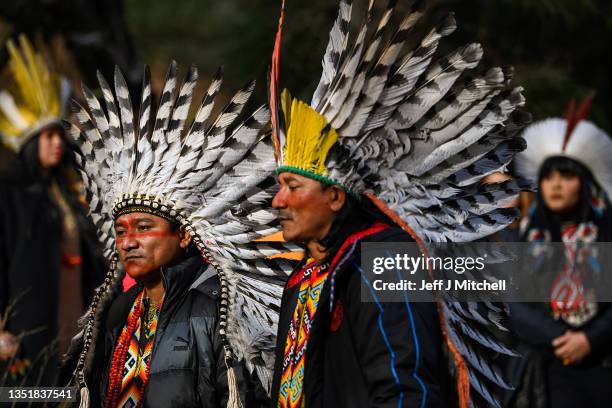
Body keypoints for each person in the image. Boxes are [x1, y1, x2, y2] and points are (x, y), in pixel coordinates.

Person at [267, 0, 529, 406]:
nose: (278, 200)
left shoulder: (384, 256)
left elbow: (408, 387)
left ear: (335, 196)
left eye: (293, 186)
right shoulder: (304, 276)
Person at [65, 62, 295, 407]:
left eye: (144, 228)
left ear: (184, 236)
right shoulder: (118, 313)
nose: (128, 242)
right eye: (121, 231)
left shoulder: (220, 309)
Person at [0, 35, 105, 387]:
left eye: (59, 135)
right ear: (29, 144)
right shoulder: (8, 196)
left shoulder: (70, 192)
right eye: (47, 137)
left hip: (72, 312)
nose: (58, 143)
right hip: (25, 332)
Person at [509, 96, 612, 408]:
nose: (556, 185)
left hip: (603, 364)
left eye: (566, 176)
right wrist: (562, 338)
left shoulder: (607, 233)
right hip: (546, 369)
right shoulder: (525, 237)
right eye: (549, 176)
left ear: (584, 183)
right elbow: (514, 305)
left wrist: (590, 339)